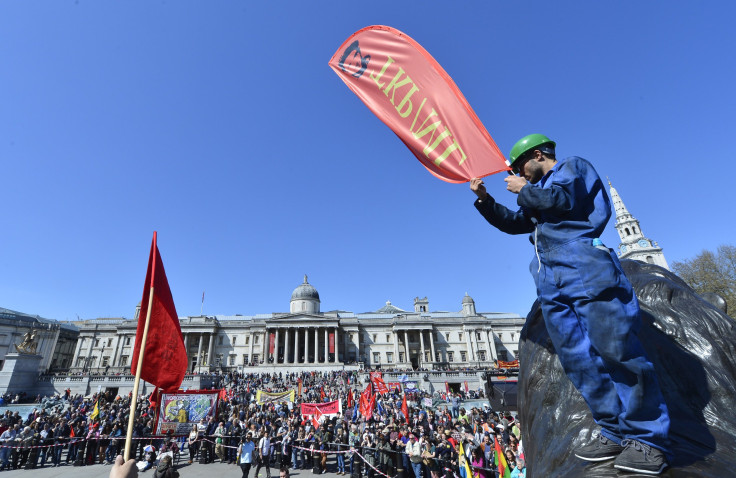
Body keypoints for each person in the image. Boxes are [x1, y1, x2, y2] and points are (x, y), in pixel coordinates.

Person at [470, 133, 670, 475]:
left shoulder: (570, 168)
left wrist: (524, 189)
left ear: (536, 155)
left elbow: (563, 202)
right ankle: (613, 429)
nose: (520, 173)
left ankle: (648, 439)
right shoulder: (537, 194)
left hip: (584, 264)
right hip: (550, 277)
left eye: (521, 167)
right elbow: (516, 223)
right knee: (577, 358)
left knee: (617, 349)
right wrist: (485, 201)